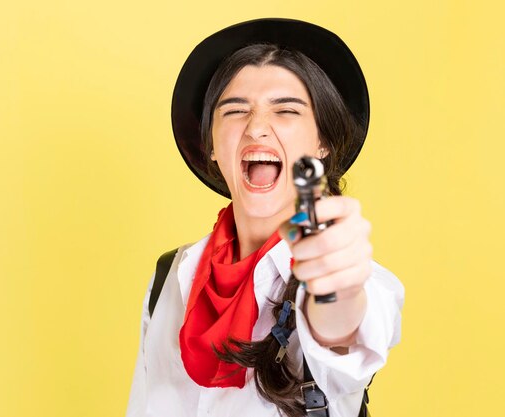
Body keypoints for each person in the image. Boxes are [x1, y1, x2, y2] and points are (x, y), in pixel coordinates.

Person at [126, 18, 404, 417]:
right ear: (212, 147)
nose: (256, 128)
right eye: (235, 110)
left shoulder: (356, 278)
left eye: (286, 110)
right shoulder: (168, 277)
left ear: (322, 142)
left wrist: (335, 286)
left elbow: (342, 333)